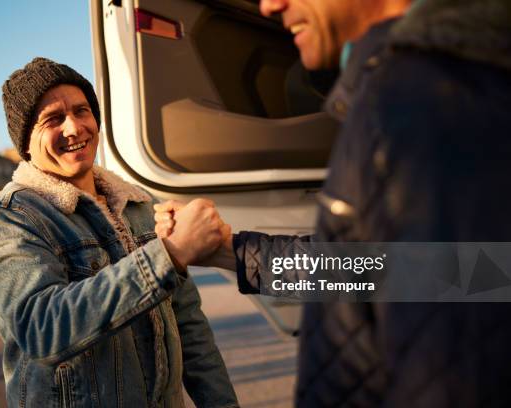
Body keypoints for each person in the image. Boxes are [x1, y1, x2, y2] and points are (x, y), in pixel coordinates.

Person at [155, 0, 511, 406]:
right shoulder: (406, 89)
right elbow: (389, 272)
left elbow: (461, 325)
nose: (271, 5)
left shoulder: (425, 96)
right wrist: (229, 250)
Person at [0, 57, 238, 408]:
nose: (74, 128)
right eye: (53, 119)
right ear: (25, 142)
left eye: (82, 111)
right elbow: (42, 327)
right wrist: (167, 255)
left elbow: (191, 329)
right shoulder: (6, 219)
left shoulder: (141, 206)